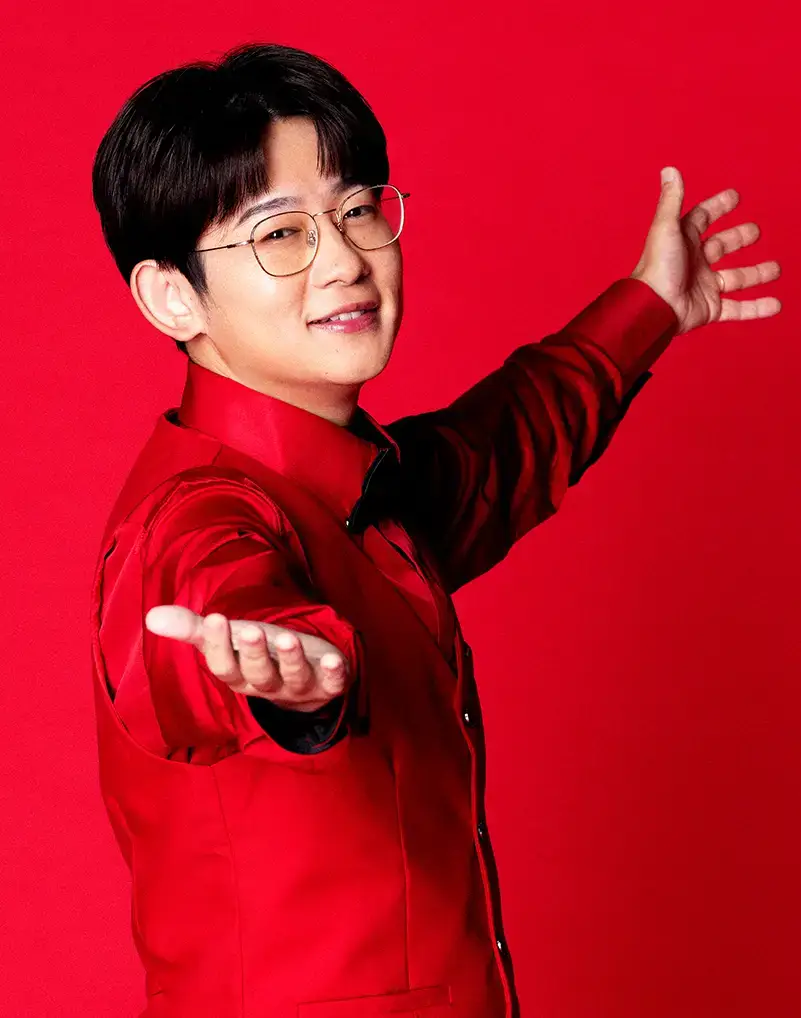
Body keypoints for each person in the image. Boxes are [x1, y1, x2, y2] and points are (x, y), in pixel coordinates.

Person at [90, 42, 781, 1018]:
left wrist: (651, 304)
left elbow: (502, 444)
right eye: (280, 234)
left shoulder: (360, 486)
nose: (344, 260)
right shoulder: (196, 513)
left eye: (358, 209)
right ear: (171, 295)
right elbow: (199, 624)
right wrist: (278, 672)